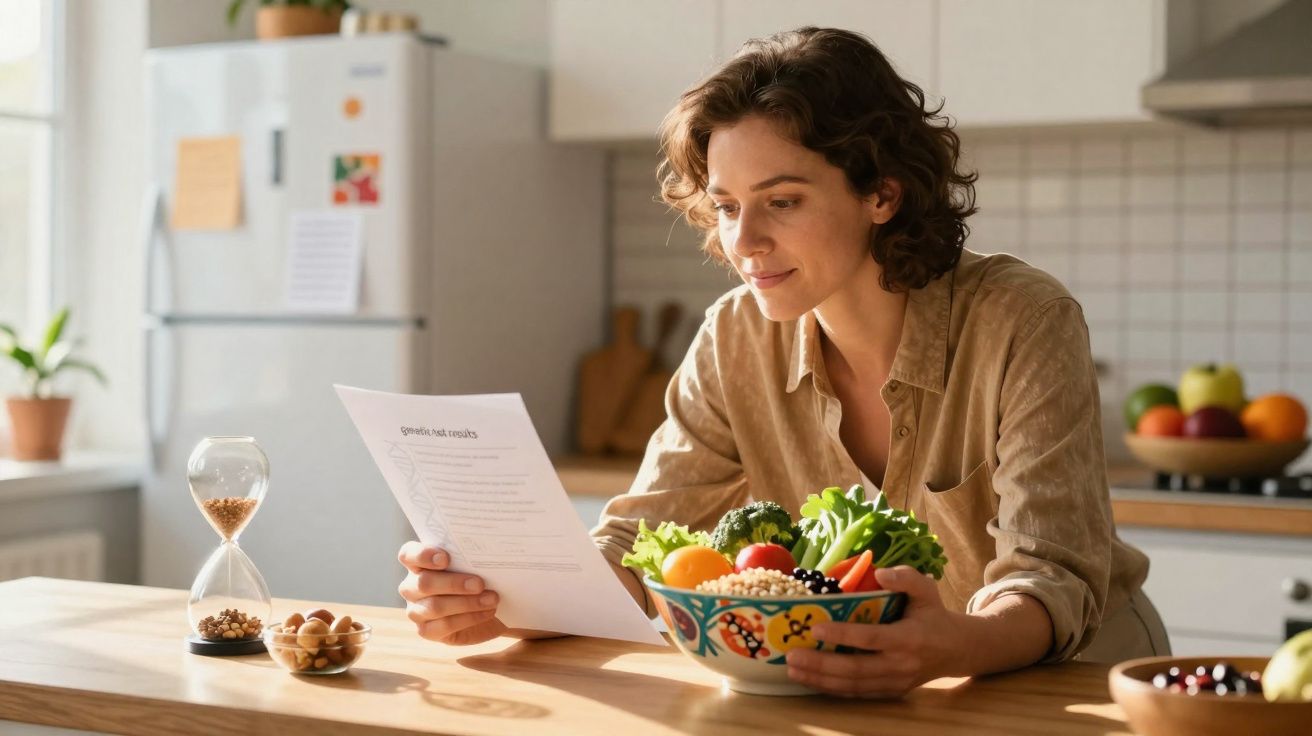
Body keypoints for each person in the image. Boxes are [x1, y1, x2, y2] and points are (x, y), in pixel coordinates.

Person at [397, 26, 1169, 697]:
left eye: (783, 200)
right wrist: (507, 601)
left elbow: (1052, 575)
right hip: (871, 688)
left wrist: (950, 644)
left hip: (1073, 690)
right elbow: (638, 539)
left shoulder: (1022, 318)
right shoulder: (734, 337)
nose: (743, 242)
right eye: (727, 206)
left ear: (883, 193)